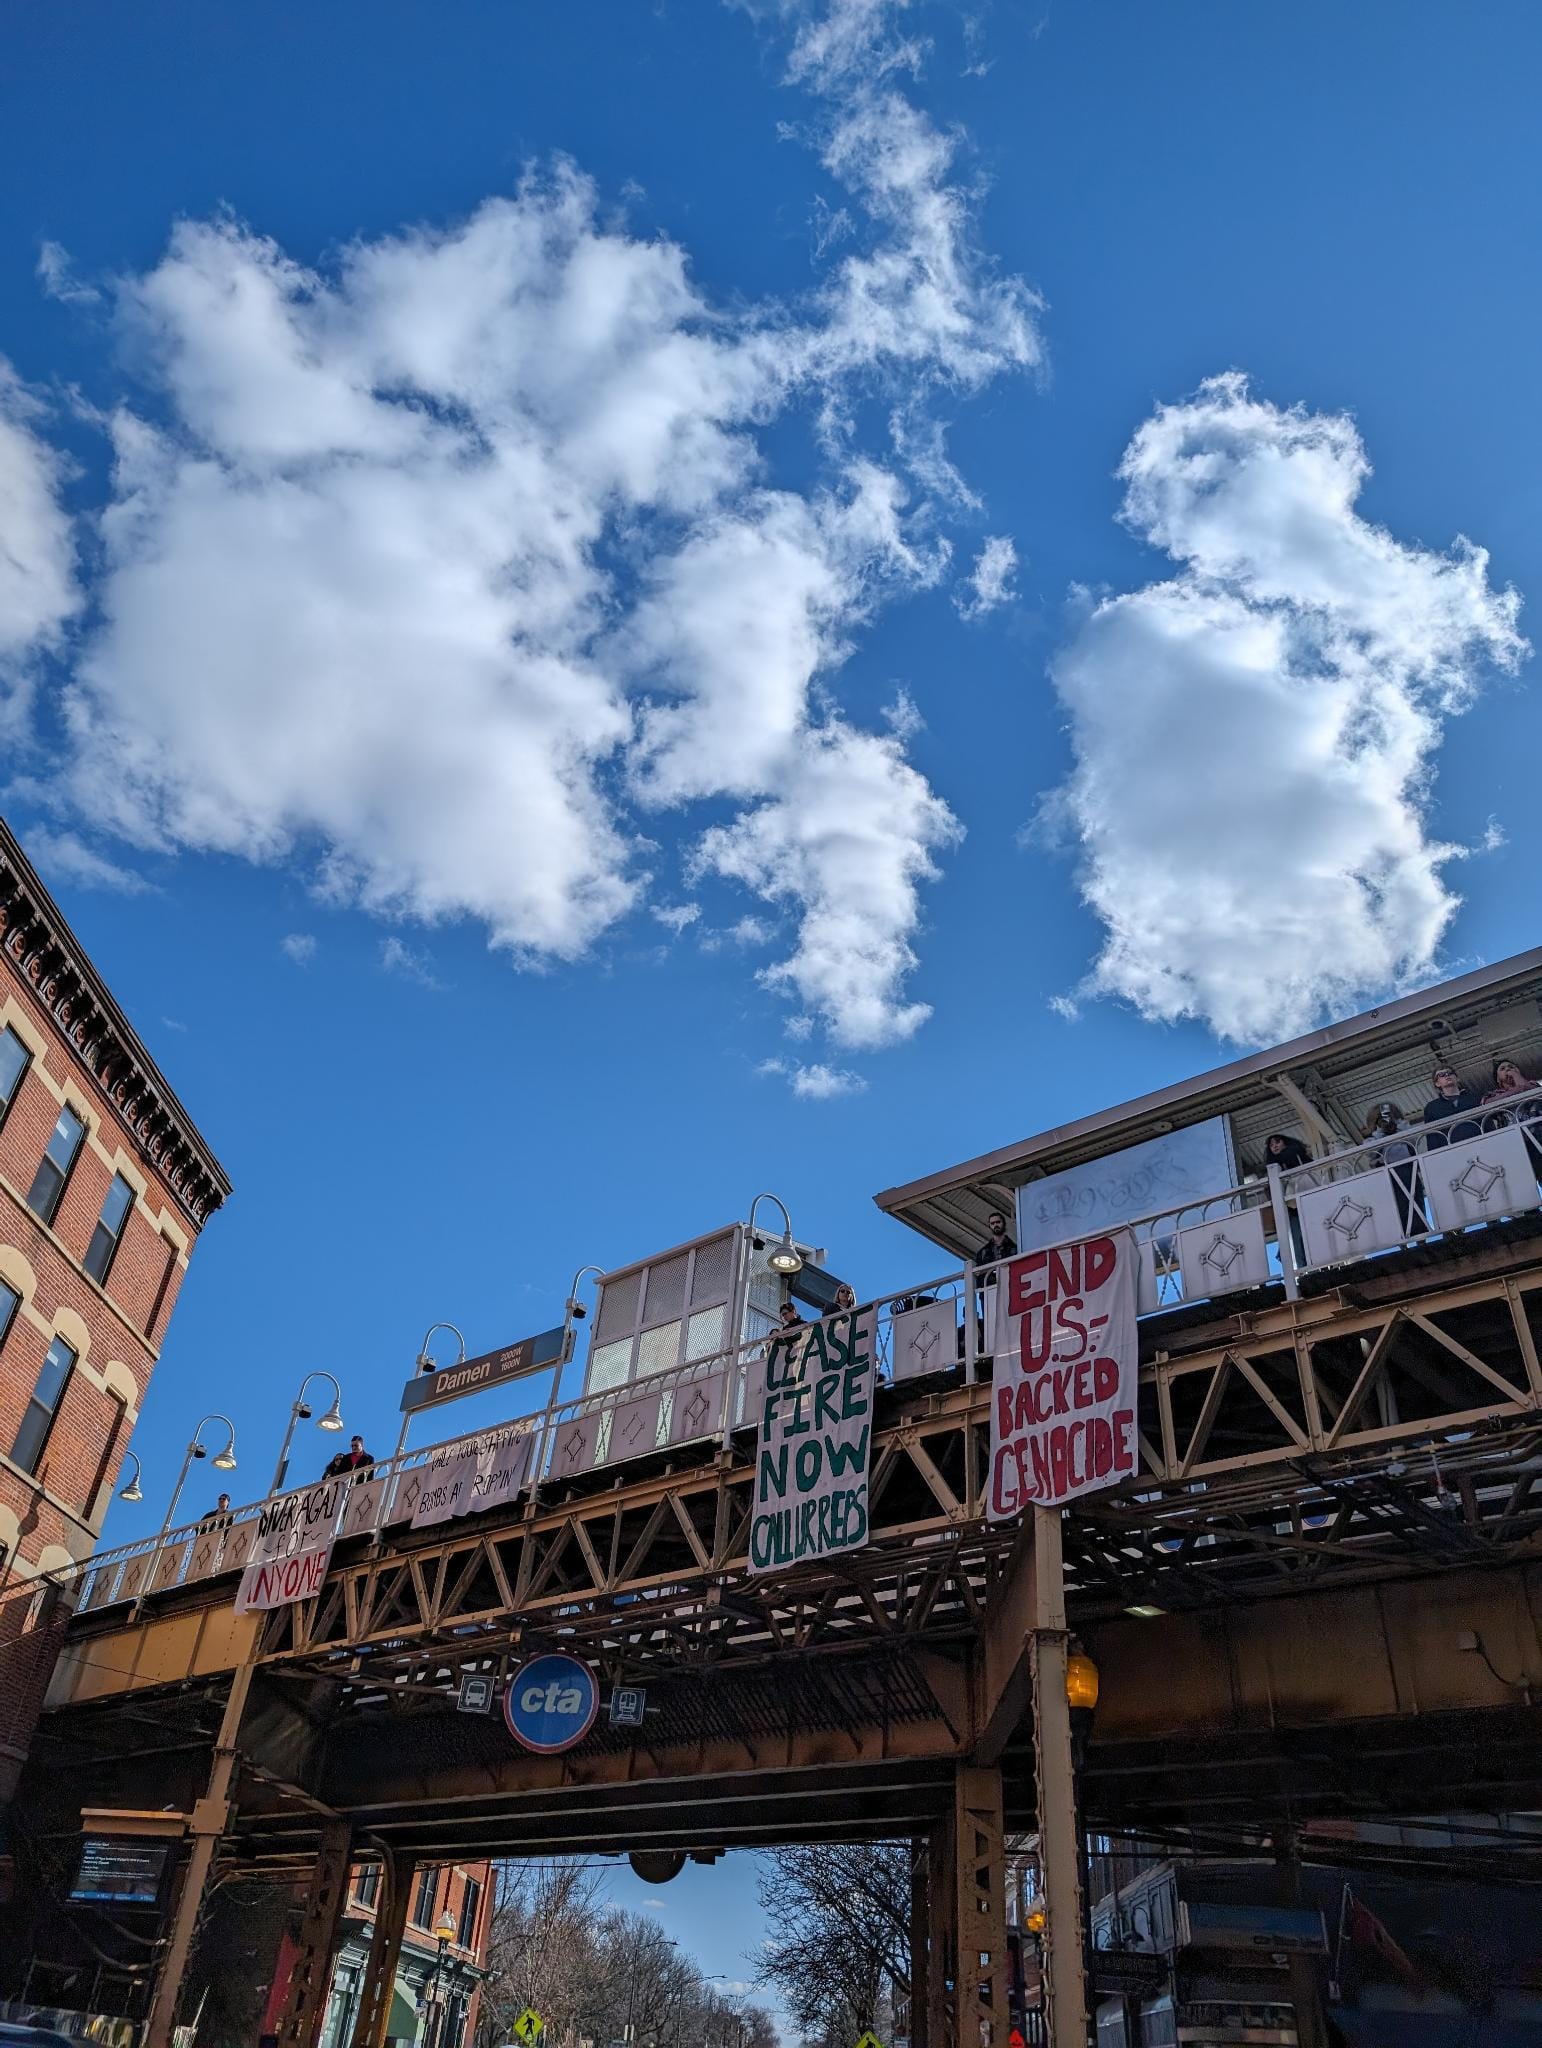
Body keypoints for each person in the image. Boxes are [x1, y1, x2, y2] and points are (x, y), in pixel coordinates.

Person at [1362, 1103, 1423, 1236]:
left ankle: (1421, 1236)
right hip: (1388, 1178)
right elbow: (1370, 1152)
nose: (1387, 1121)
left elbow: (1414, 1138)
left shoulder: (1404, 1130)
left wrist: (1398, 1128)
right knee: (1397, 1210)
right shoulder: (1372, 1139)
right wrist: (1382, 1133)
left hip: (1408, 1172)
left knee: (1416, 1206)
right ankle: (1402, 1239)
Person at [1481, 1058, 1542, 1171]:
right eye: (1503, 1069)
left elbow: (1531, 1091)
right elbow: (1488, 1103)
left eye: (1511, 1066)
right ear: (1498, 1079)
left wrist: (1516, 1076)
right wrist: (1519, 1089)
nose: (1508, 1069)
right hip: (1516, 1141)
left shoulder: (1531, 1083)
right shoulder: (1493, 1094)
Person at [1420, 1065, 1482, 1149]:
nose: (1446, 1075)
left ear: (1457, 1078)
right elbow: (1432, 1136)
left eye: (1449, 1073)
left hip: (1480, 1143)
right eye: (1441, 1075)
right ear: (1437, 1083)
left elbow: (1487, 1122)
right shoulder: (1431, 1107)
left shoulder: (1474, 1097)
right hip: (1451, 1151)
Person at [973, 1210, 1016, 1277]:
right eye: (992, 1223)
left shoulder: (1014, 1248)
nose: (995, 1225)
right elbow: (979, 1274)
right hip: (991, 1285)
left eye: (998, 1222)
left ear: (1004, 1223)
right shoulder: (982, 1253)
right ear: (989, 1226)